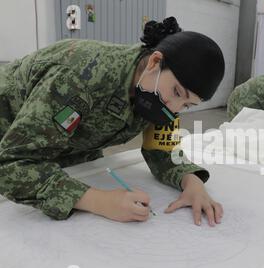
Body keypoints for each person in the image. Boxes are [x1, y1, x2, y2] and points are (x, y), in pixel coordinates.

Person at [0, 17, 225, 226]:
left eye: (187, 105)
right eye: (177, 93)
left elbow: (162, 150)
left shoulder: (157, 92)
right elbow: (9, 164)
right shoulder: (80, 79)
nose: (174, 109)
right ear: (155, 61)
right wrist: (98, 201)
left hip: (67, 145)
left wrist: (191, 182)